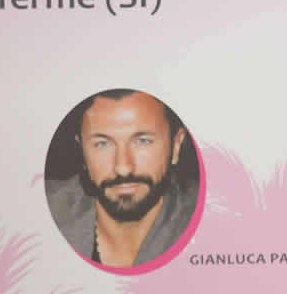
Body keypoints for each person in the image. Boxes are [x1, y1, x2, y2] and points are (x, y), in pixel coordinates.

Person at [46, 88, 199, 269]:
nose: (123, 168)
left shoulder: (211, 221)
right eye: (102, 144)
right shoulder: (40, 212)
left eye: (143, 141)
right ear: (82, 152)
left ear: (176, 146)